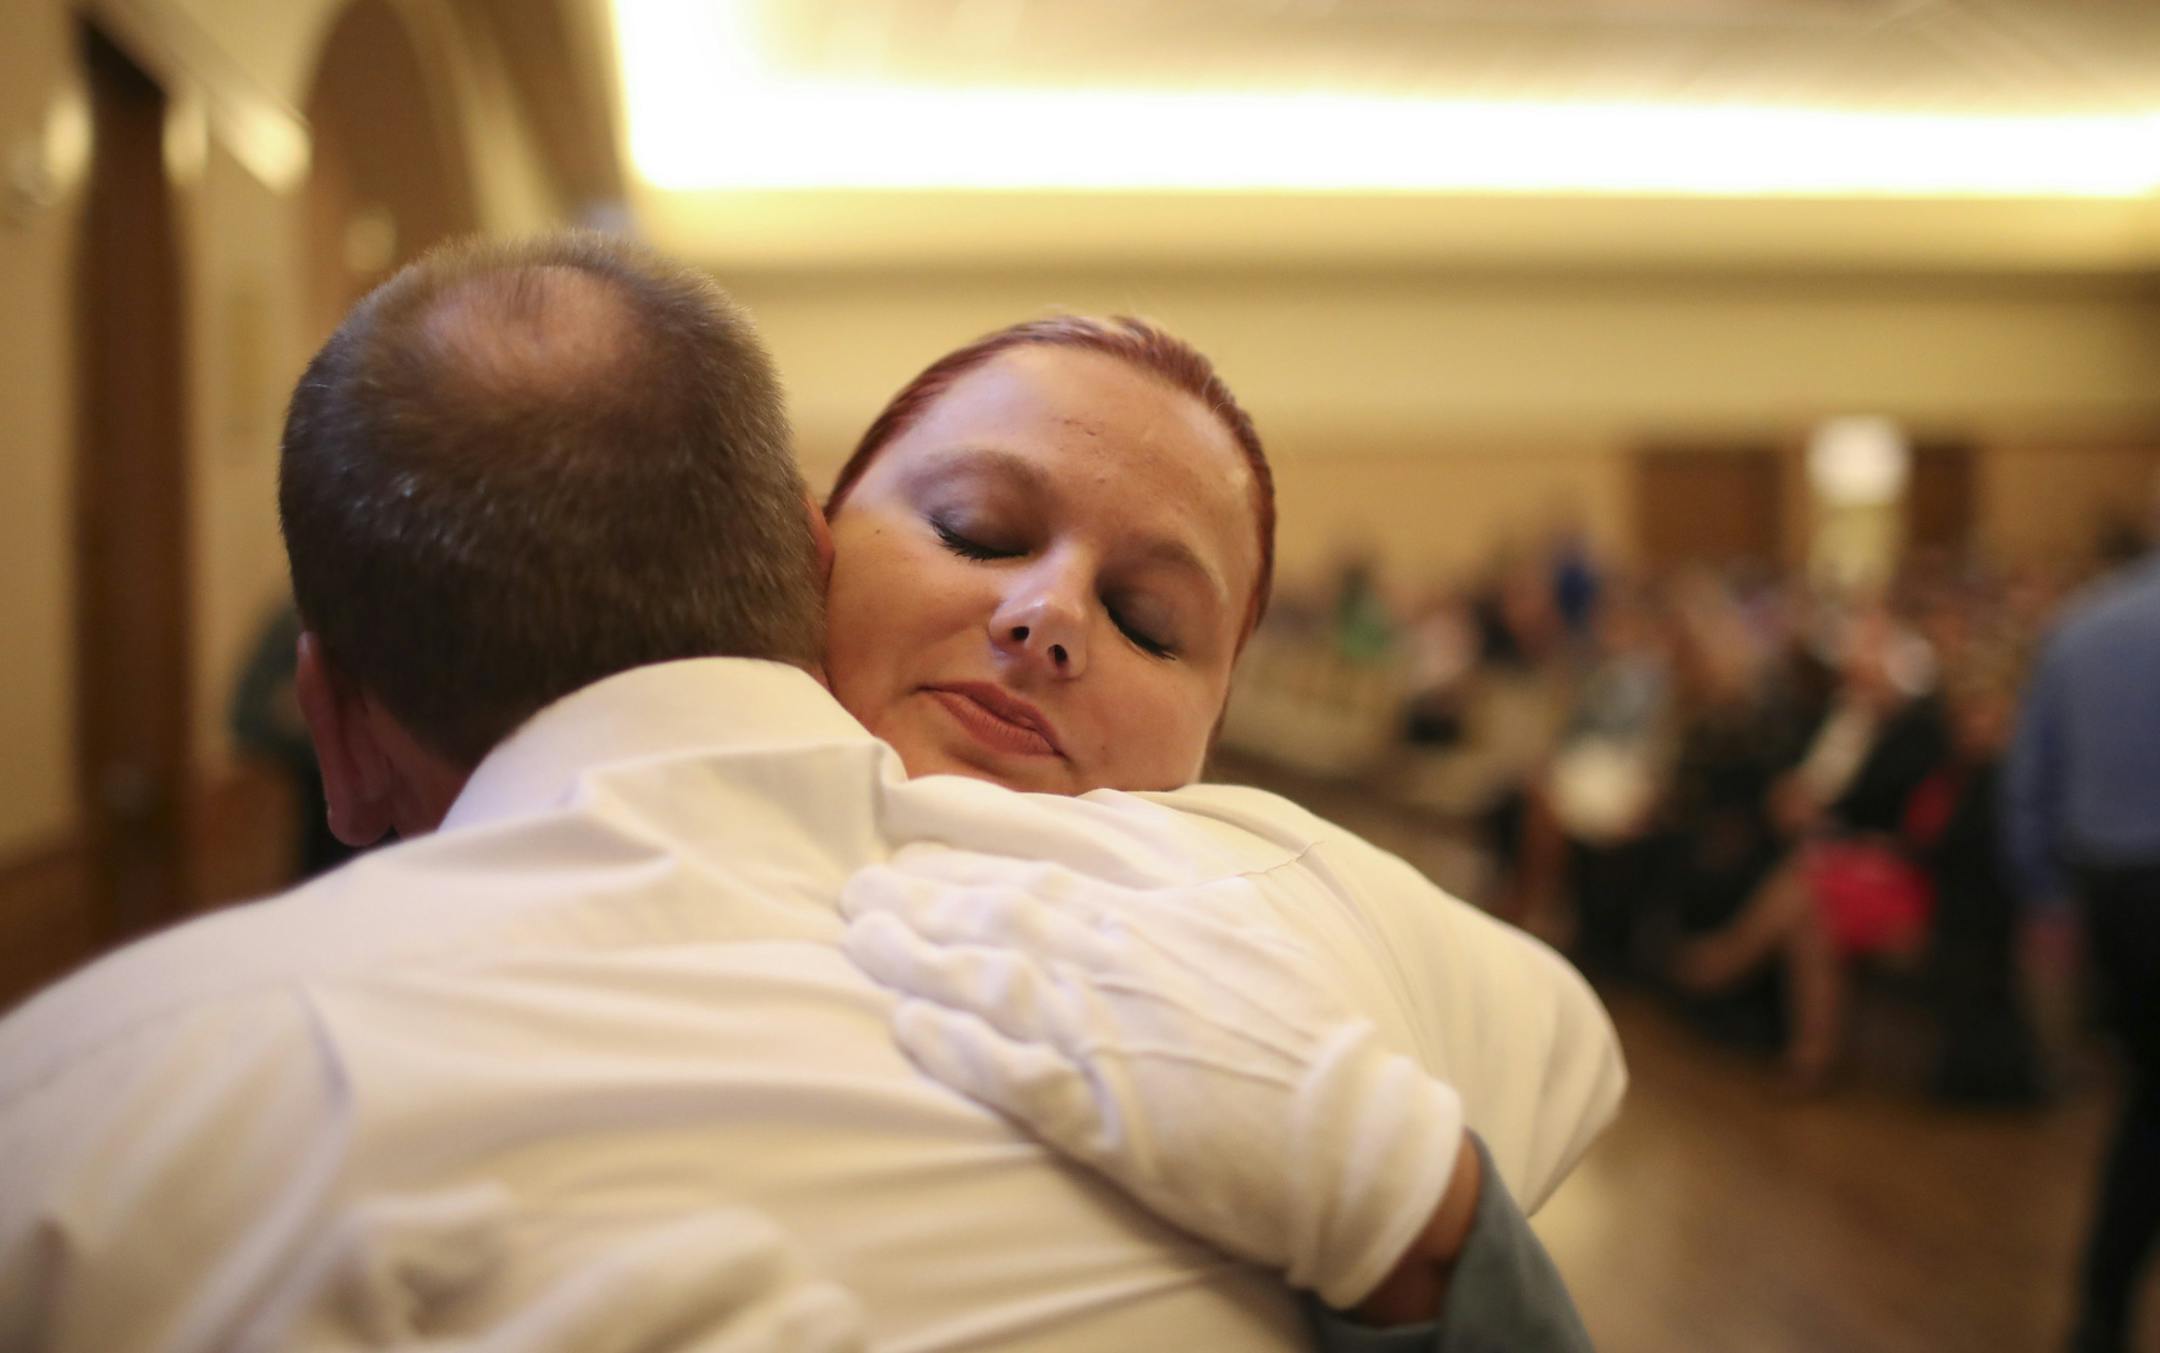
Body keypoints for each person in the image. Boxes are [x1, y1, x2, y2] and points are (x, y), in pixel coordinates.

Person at [0, 235, 1620, 1350]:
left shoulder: (1307, 922)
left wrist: (1431, 1224)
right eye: (981, 529)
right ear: (804, 553)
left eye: (1148, 620)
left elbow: (1557, 1048)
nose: (1047, 618)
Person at [2005, 506, 2160, 1353]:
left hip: (2113, 895)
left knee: (2145, 1103)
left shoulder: (2084, 625)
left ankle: (2101, 1315)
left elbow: (2029, 784)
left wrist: (2050, 899)